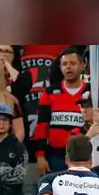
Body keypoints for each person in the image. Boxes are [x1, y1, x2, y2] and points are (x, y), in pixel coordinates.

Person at [34, 46, 91, 174]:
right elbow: (42, 125)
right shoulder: (49, 93)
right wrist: (40, 155)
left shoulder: (92, 91)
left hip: (83, 157)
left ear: (81, 66)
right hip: (55, 157)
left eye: (72, 63)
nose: (68, 67)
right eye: (64, 64)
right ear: (60, 68)